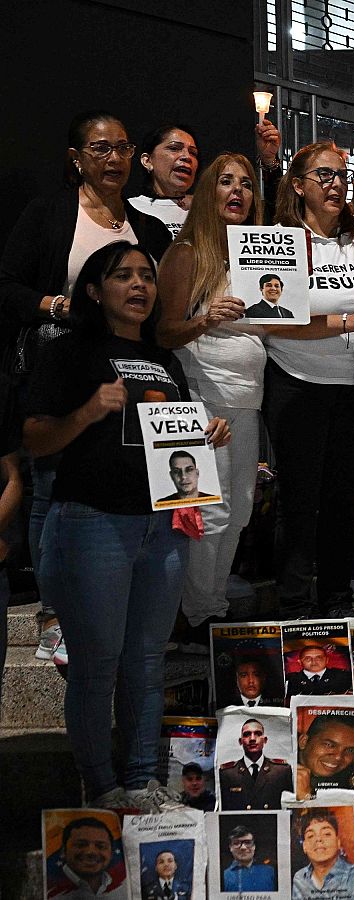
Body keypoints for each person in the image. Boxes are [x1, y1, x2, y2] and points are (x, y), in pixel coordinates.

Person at [24, 241, 226, 812]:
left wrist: (203, 437)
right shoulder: (70, 352)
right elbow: (36, 441)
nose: (139, 285)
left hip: (159, 529)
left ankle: (142, 781)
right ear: (94, 289)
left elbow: (172, 450)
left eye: (146, 276)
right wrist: (88, 411)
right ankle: (103, 786)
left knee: (146, 662)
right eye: (123, 276)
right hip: (91, 523)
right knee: (98, 665)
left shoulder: (168, 361)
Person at [1, 112, 175, 669]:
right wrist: (58, 304)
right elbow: (6, 285)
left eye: (122, 148)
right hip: (60, 362)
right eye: (100, 149)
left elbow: (159, 304)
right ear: (76, 157)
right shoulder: (50, 213)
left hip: (128, 371)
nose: (113, 159)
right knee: (49, 487)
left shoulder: (148, 227)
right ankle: (54, 616)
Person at [264, 140, 354, 620]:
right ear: (298, 186)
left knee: (342, 500)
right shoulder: (280, 238)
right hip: (298, 382)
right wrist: (346, 323)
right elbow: (270, 318)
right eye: (323, 176)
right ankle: (294, 604)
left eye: (340, 174)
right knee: (300, 500)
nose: (335, 183)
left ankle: (336, 603)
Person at [155, 152, 267, 632]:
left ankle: (212, 608)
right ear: (207, 193)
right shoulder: (185, 253)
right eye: (225, 182)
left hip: (248, 402)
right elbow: (161, 334)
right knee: (206, 514)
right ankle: (197, 618)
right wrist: (206, 319)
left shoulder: (260, 253)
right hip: (201, 400)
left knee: (240, 511)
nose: (237, 191)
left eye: (245, 183)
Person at [129, 125, 199, 238]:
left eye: (193, 153)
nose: (187, 157)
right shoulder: (129, 209)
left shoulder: (206, 210)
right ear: (147, 161)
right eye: (174, 148)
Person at [219, 717, 294, 810]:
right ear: (240, 741)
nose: (252, 738)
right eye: (247, 734)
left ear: (265, 740)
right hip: (240, 824)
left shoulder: (281, 771)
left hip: (271, 824)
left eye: (258, 734)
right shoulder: (228, 773)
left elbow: (289, 809)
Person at [294, 713, 354, 796]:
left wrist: (304, 796)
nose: (338, 757)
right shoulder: (281, 771)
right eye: (329, 745)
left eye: (350, 750)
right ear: (303, 742)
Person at [291, 811, 354, 900]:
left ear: (338, 842)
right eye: (311, 836)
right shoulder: (300, 878)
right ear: (304, 847)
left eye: (326, 834)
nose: (318, 839)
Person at [50, 817, 119, 898]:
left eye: (100, 846)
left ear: (111, 853)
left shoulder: (122, 884)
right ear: (63, 851)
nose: (91, 852)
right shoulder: (50, 888)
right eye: (81, 845)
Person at [221, 825, 277, 892]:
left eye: (248, 842)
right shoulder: (223, 876)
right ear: (230, 847)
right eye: (236, 843)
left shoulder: (271, 872)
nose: (243, 847)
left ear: (254, 846)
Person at [286, 645, 352, 696]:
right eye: (308, 659)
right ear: (300, 662)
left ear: (327, 660)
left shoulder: (342, 676)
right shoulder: (291, 679)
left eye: (319, 658)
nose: (314, 662)